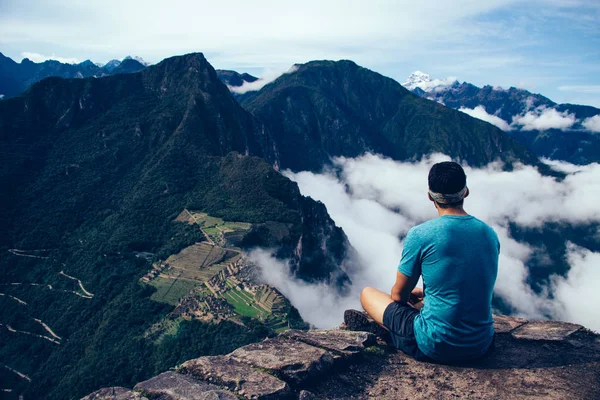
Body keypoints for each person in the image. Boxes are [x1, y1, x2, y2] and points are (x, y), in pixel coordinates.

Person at [359, 161, 499, 363]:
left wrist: (410, 295)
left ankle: (392, 334)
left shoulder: (421, 235)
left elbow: (398, 296)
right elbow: (471, 284)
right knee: (422, 301)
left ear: (429, 195)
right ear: (466, 192)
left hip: (434, 345)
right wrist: (426, 292)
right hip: (482, 345)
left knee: (367, 294)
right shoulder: (490, 234)